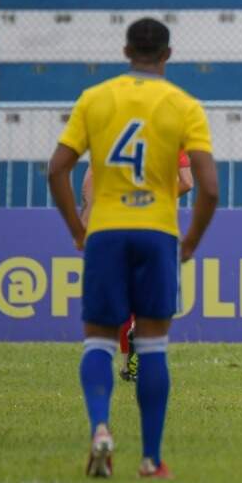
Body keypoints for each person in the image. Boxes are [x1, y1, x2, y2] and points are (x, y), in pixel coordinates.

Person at [47, 18, 219, 479]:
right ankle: (150, 458)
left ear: (126, 50)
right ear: (167, 54)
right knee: (154, 344)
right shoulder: (184, 105)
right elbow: (208, 188)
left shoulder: (95, 99)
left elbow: (57, 170)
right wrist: (190, 242)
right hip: (157, 232)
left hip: (105, 231)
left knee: (99, 339)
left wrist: (76, 231)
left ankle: (101, 428)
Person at [81, 151, 195, 383]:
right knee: (154, 299)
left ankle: (125, 362)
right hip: (158, 228)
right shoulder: (172, 136)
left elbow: (90, 179)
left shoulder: (113, 133)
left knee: (121, 298)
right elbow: (187, 182)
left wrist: (87, 213)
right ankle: (142, 343)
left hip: (116, 225)